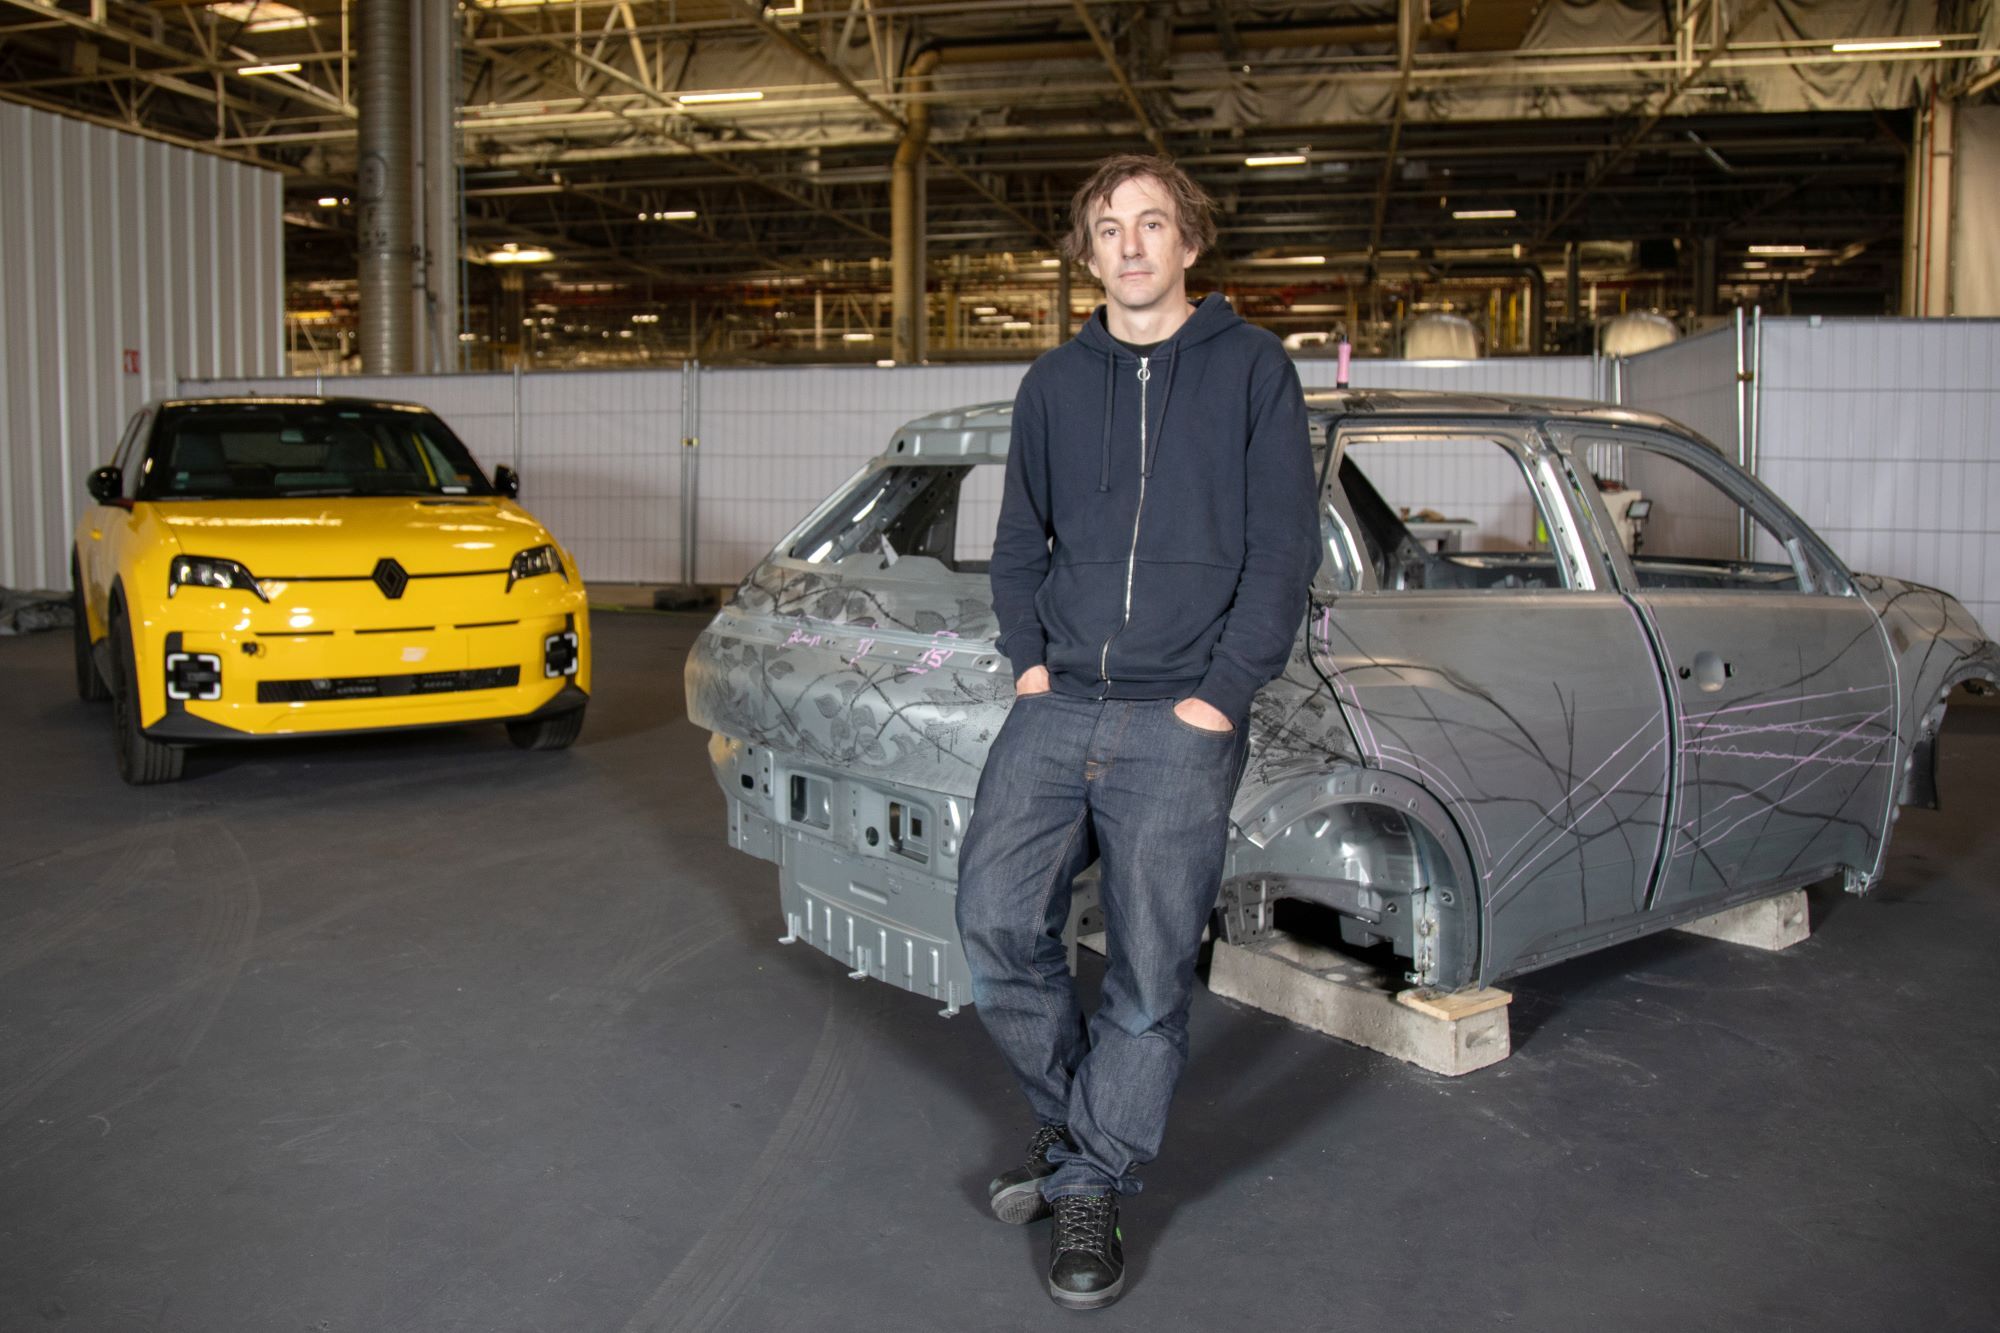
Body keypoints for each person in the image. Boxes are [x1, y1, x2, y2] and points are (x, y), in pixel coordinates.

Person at [955, 154, 1319, 1310]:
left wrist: (1222, 692)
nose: (1128, 244)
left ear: (1187, 243)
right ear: (1087, 250)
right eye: (1107, 227)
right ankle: (1084, 1137)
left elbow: (1282, 549)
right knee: (993, 920)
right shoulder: (1053, 384)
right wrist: (1027, 666)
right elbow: (1018, 542)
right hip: (1057, 700)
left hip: (1180, 715)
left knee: (1147, 972)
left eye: (1150, 223)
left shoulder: (1253, 370)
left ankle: (1091, 1180)